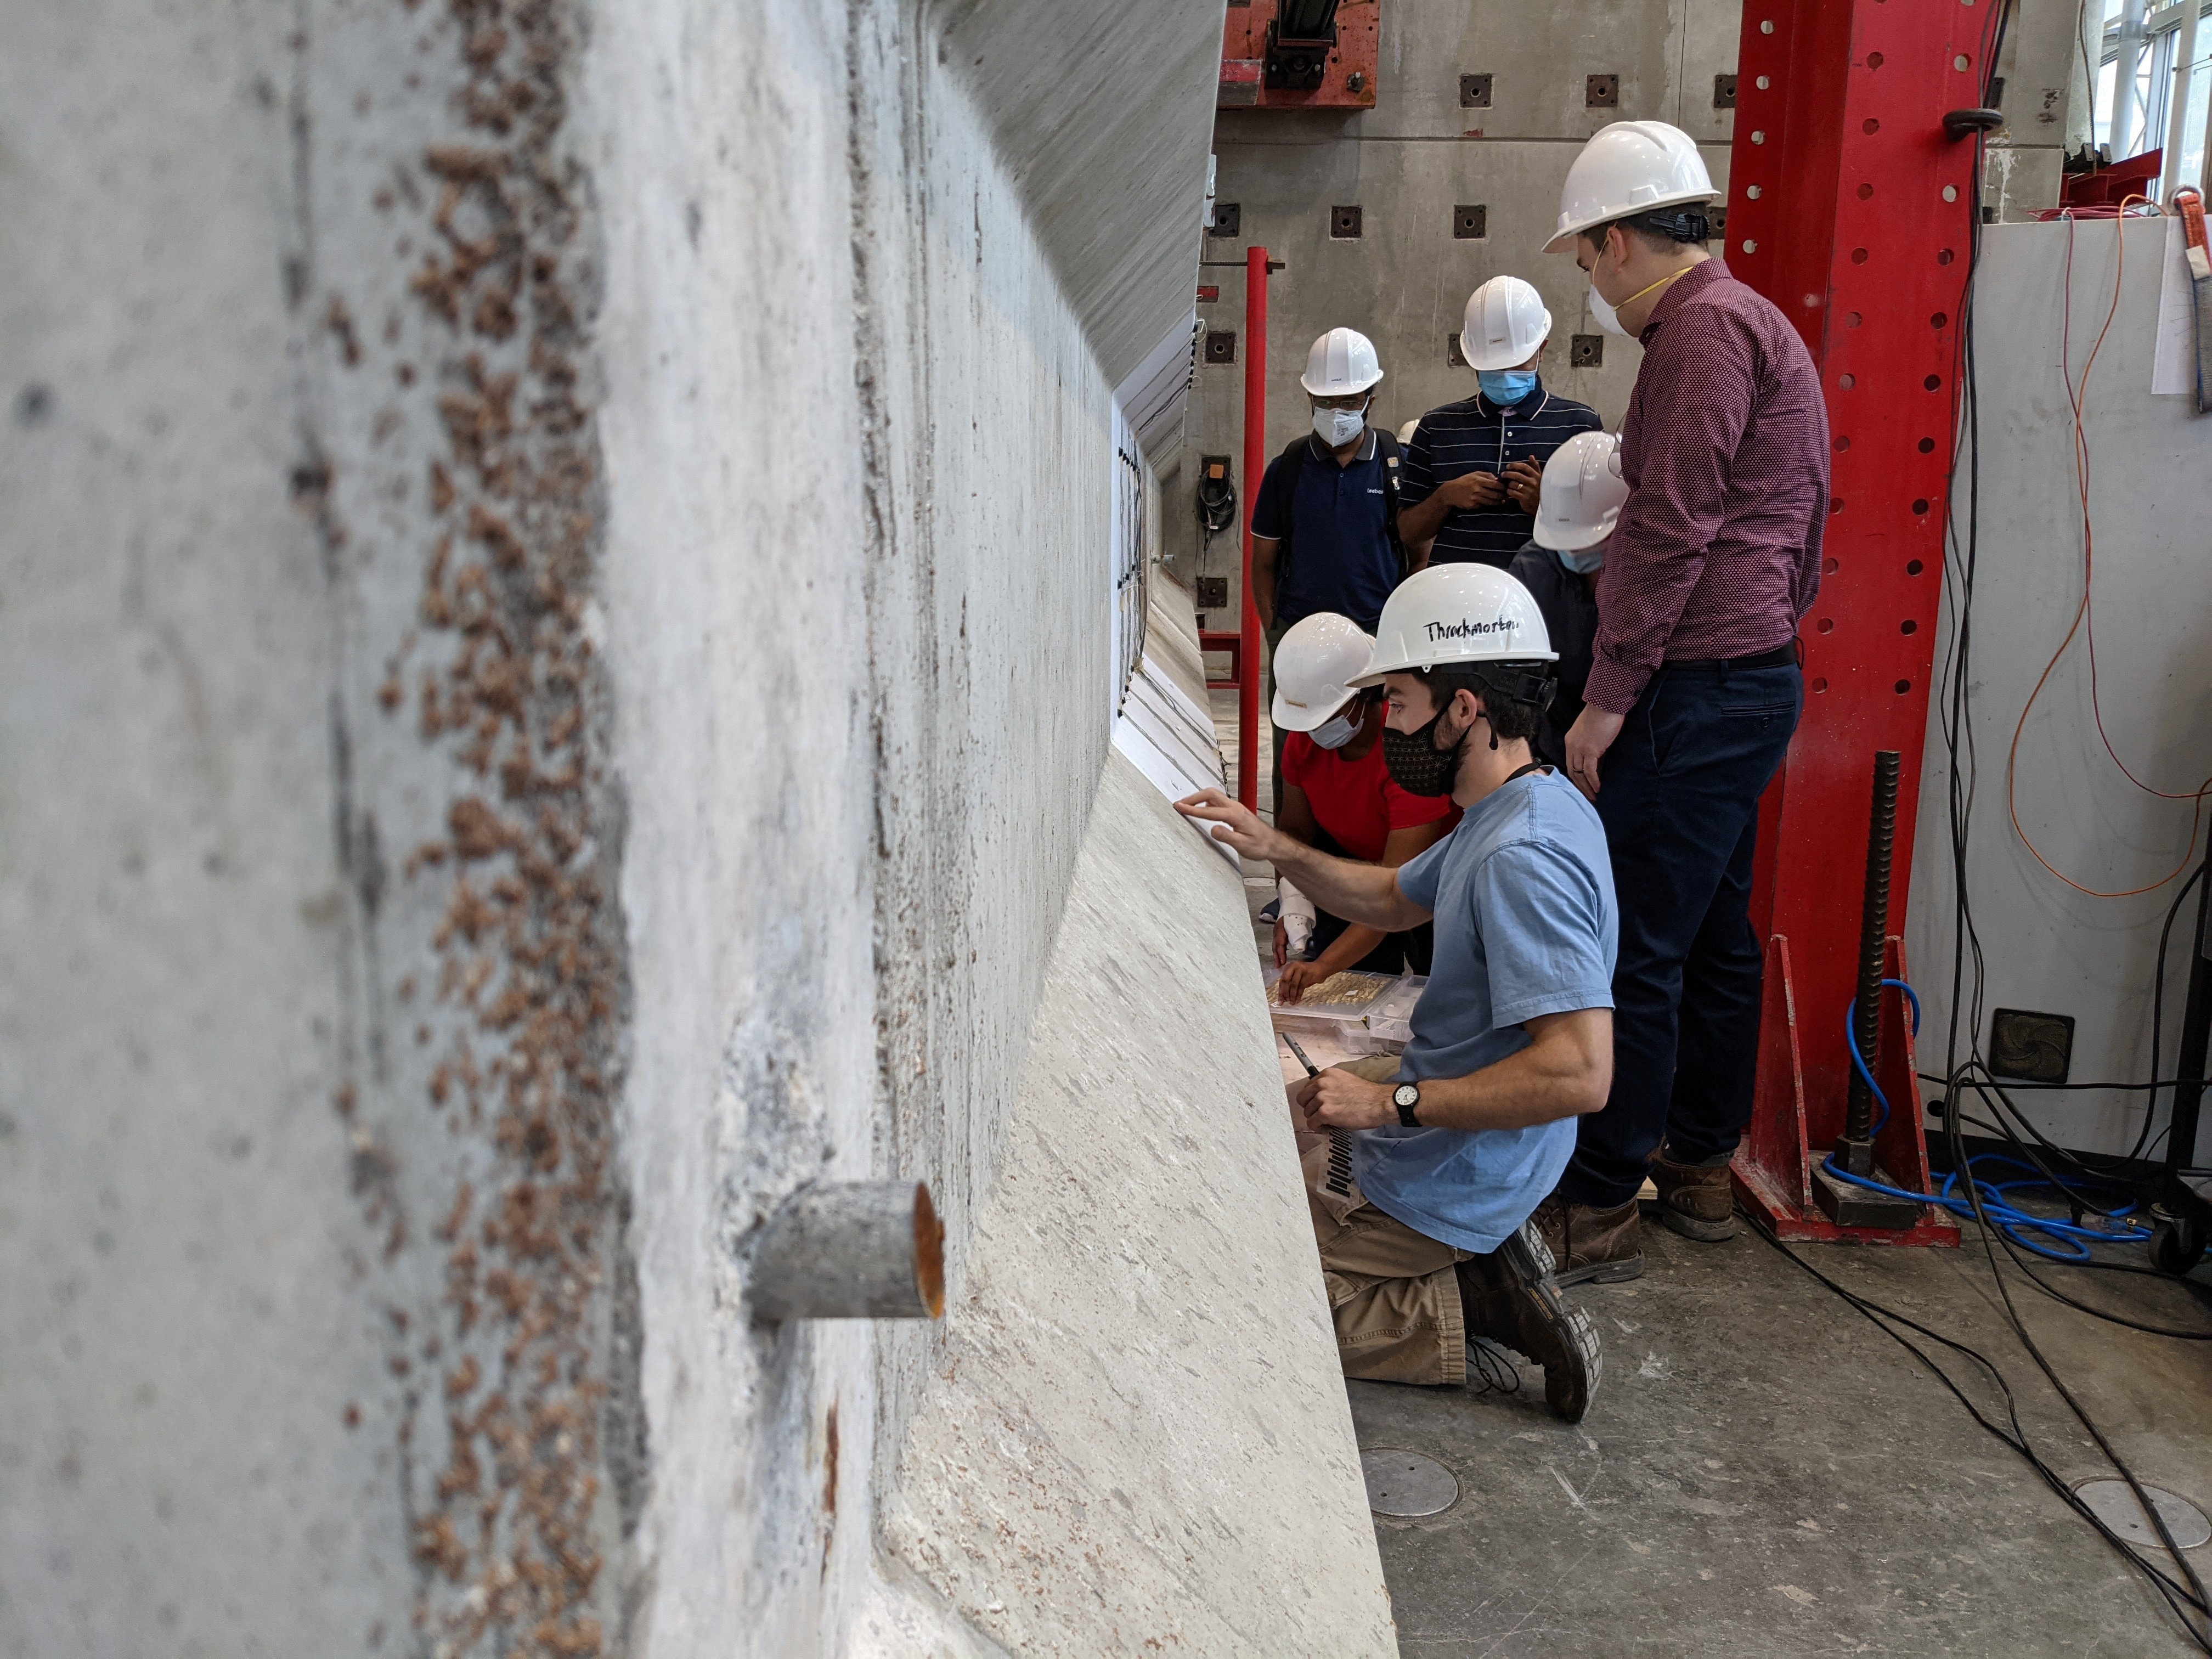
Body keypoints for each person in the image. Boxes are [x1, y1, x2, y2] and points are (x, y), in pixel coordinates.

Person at [1176, 565, 1618, 1422]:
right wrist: (1277, 846)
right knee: (1278, 1136)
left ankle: (1469, 1304)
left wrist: (1390, 1107)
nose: (1391, 725)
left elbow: (1579, 1074)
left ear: (1464, 708)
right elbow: (1388, 896)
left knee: (1246, 1290)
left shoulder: (1520, 859)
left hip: (1463, 1154)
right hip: (1462, 1111)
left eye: (1403, 703)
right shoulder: (1520, 805)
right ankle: (1461, 1249)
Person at [1531, 119, 1827, 1282]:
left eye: (1586, 259)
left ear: (1617, 241)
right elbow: (1792, 520)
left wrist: (1605, 701)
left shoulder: (1699, 336)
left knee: (1635, 948)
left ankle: (1599, 1202)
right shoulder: (1757, 324)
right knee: (1710, 932)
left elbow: (1669, 527)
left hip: (1696, 687)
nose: (1592, 283)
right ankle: (1700, 1162)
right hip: (1746, 676)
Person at [1250, 328, 1415, 811]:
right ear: (1308, 395)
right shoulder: (1289, 470)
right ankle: (1294, 871)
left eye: (1350, 399)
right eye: (1326, 399)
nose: (1338, 410)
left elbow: (1417, 551)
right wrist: (1277, 632)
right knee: (1295, 759)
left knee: (1376, 762)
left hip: (1373, 643)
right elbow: (1264, 563)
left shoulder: (1394, 467)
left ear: (1370, 398)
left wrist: (1398, 632)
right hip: (1300, 641)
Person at [1268, 612, 1459, 1001]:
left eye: (1325, 717)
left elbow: (1394, 894)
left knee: (1444, 994)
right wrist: (1295, 897)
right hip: (1354, 869)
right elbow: (1294, 834)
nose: (1315, 731)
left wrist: (1322, 967)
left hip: (1434, 879)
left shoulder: (1408, 748)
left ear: (1364, 695)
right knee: (1355, 989)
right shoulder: (1306, 741)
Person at [1396, 276, 1603, 571]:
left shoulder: (1579, 426)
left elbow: (1599, 545)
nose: (1505, 374)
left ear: (1541, 350)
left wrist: (1547, 506)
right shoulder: (1437, 427)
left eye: (1517, 362)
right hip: (1458, 600)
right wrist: (1445, 498)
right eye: (1493, 365)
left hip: (1543, 602)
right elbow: (1408, 532)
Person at [1506, 430, 1629, 768]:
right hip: (1554, 742)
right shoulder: (1533, 569)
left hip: (1633, 743)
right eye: (1565, 544)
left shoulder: (1649, 576)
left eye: (1591, 542)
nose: (1575, 553)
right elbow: (1517, 669)